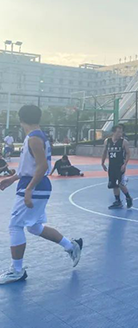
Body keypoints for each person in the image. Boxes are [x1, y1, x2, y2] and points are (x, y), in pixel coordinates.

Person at [0, 105, 82, 285]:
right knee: (34, 227)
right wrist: (11, 179)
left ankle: (17, 271)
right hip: (35, 184)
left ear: (21, 119)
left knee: (15, 226)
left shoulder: (34, 138)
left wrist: (29, 189)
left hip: (34, 186)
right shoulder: (36, 136)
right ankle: (71, 246)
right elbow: (29, 167)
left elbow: (42, 166)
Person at [101, 124, 133, 209]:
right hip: (112, 166)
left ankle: (128, 197)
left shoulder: (124, 142)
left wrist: (125, 164)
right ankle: (118, 201)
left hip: (120, 165)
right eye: (118, 132)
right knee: (113, 184)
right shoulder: (107, 141)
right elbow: (104, 152)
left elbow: (128, 153)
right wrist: (102, 163)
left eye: (121, 132)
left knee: (120, 184)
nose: (120, 134)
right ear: (114, 132)